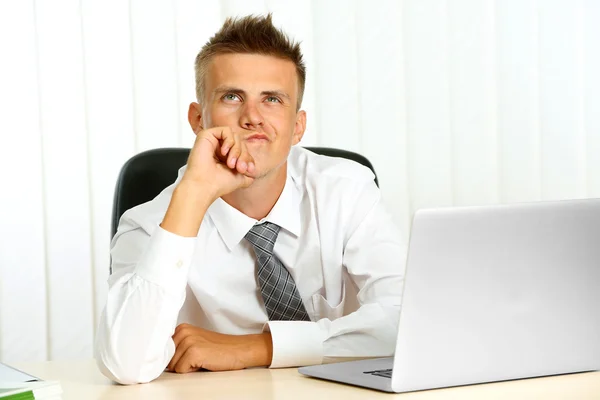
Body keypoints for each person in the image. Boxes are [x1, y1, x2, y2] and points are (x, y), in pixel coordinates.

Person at [95, 14, 406, 385]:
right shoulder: (150, 222)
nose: (252, 117)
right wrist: (193, 195)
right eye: (231, 96)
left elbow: (409, 321)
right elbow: (125, 365)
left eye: (272, 99)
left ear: (298, 126)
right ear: (198, 119)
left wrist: (256, 347)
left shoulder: (347, 189)